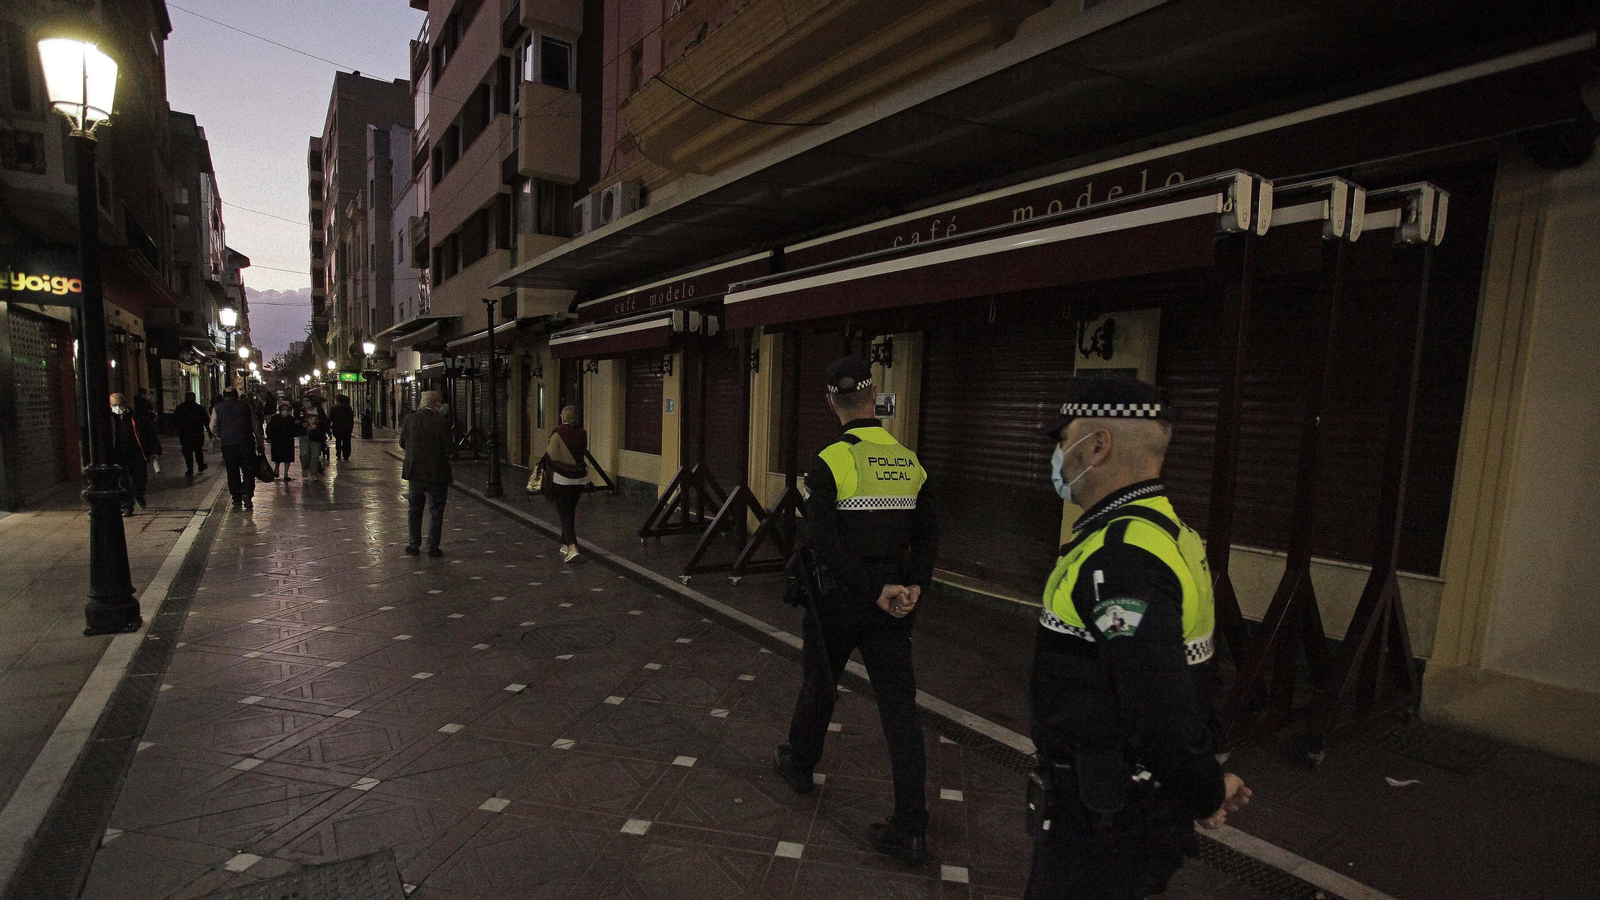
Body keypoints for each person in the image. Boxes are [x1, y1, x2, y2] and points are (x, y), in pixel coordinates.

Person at [1026, 377, 1251, 900]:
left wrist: (1203, 790)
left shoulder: (1122, 556)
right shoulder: (1169, 534)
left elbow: (1159, 708)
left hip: (1106, 822)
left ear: (1097, 445)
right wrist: (1202, 783)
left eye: (1063, 441)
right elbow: (1193, 680)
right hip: (1123, 807)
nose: (1058, 456)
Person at [774, 356, 938, 864]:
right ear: (874, 400)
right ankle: (911, 827)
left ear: (831, 402)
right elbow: (929, 534)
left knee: (820, 683)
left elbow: (823, 543)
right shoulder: (910, 462)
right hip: (893, 603)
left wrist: (872, 589)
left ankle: (801, 765)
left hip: (840, 600)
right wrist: (911, 587)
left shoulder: (826, 463)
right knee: (900, 711)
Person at [401, 390, 452, 557]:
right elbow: (449, 447)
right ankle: (432, 546)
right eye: (441, 403)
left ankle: (414, 544)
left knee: (414, 509)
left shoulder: (409, 419)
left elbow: (402, 443)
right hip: (437, 472)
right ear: (435, 404)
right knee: (436, 510)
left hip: (415, 471)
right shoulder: (440, 421)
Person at [545, 405, 589, 562]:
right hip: (579, 478)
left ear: (562, 417)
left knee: (564, 513)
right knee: (570, 510)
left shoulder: (557, 432)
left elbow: (550, 454)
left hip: (562, 478)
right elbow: (582, 451)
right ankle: (564, 543)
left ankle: (572, 546)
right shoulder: (582, 433)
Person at [210, 387, 263, 509]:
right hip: (246, 443)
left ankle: (236, 497)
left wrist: (221, 436)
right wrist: (260, 441)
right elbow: (256, 425)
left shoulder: (217, 408)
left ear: (224, 396)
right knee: (248, 469)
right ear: (236, 395)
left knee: (232, 471)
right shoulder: (246, 406)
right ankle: (247, 493)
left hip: (228, 445)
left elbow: (213, 426)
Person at [108, 393, 148, 516]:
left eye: (120, 404)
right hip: (118, 453)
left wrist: (153, 450)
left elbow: (147, 433)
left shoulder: (134, 417)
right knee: (122, 480)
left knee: (138, 478)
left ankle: (138, 494)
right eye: (115, 405)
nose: (117, 407)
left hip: (135, 452)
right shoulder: (109, 418)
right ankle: (127, 506)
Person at [173, 391, 211, 476]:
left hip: (185, 434)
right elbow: (206, 421)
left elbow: (175, 420)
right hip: (197, 433)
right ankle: (200, 465)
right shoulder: (200, 408)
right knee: (198, 450)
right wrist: (209, 432)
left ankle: (190, 468)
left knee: (187, 452)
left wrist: (178, 429)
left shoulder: (180, 408)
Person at [265, 400, 302, 482]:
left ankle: (286, 474)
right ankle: (276, 469)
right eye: (283, 409)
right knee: (277, 457)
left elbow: (295, 429)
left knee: (287, 458)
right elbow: (270, 428)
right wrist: (269, 437)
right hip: (277, 439)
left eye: (286, 409)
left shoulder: (291, 419)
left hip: (288, 440)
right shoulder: (275, 418)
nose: (285, 411)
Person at [298, 395, 328, 479]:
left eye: (307, 400)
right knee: (304, 454)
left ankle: (313, 473)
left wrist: (327, 432)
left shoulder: (318, 410)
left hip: (316, 435)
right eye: (304, 401)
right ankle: (304, 468)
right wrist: (301, 424)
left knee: (315, 455)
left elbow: (324, 421)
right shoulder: (301, 411)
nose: (305, 402)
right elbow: (295, 422)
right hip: (304, 434)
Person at [132, 394, 163, 476]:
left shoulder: (136, 418)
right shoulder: (146, 418)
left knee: (140, 469)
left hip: (139, 446)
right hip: (143, 445)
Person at [329, 394, 356, 461]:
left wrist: (328, 426)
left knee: (338, 441)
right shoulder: (348, 407)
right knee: (346, 442)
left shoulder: (333, 407)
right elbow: (351, 418)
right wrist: (351, 427)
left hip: (337, 427)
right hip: (347, 428)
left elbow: (330, 418)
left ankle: (338, 453)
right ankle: (346, 455)